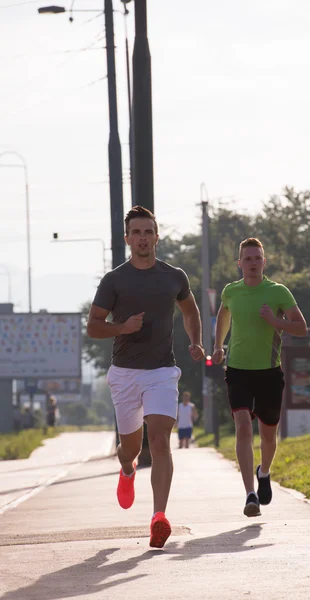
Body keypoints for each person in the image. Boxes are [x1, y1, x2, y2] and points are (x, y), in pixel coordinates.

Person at [87, 205, 204, 548]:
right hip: (124, 373)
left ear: (156, 236)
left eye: (148, 232)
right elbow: (93, 326)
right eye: (136, 233)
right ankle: (127, 469)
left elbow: (190, 309)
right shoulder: (114, 280)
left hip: (162, 372)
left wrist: (195, 341)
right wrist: (122, 327)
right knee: (131, 448)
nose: (142, 238)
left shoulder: (174, 276)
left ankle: (159, 517)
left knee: (159, 441)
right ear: (127, 239)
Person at [212, 237, 307, 517]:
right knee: (243, 427)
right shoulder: (231, 291)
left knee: (268, 435)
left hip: (269, 372)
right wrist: (218, 346)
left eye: (257, 259)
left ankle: (264, 472)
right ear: (239, 263)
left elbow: (300, 327)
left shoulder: (278, 292)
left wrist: (275, 321)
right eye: (248, 259)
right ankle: (249, 494)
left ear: (264, 263)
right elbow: (223, 315)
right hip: (238, 369)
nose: (252, 263)